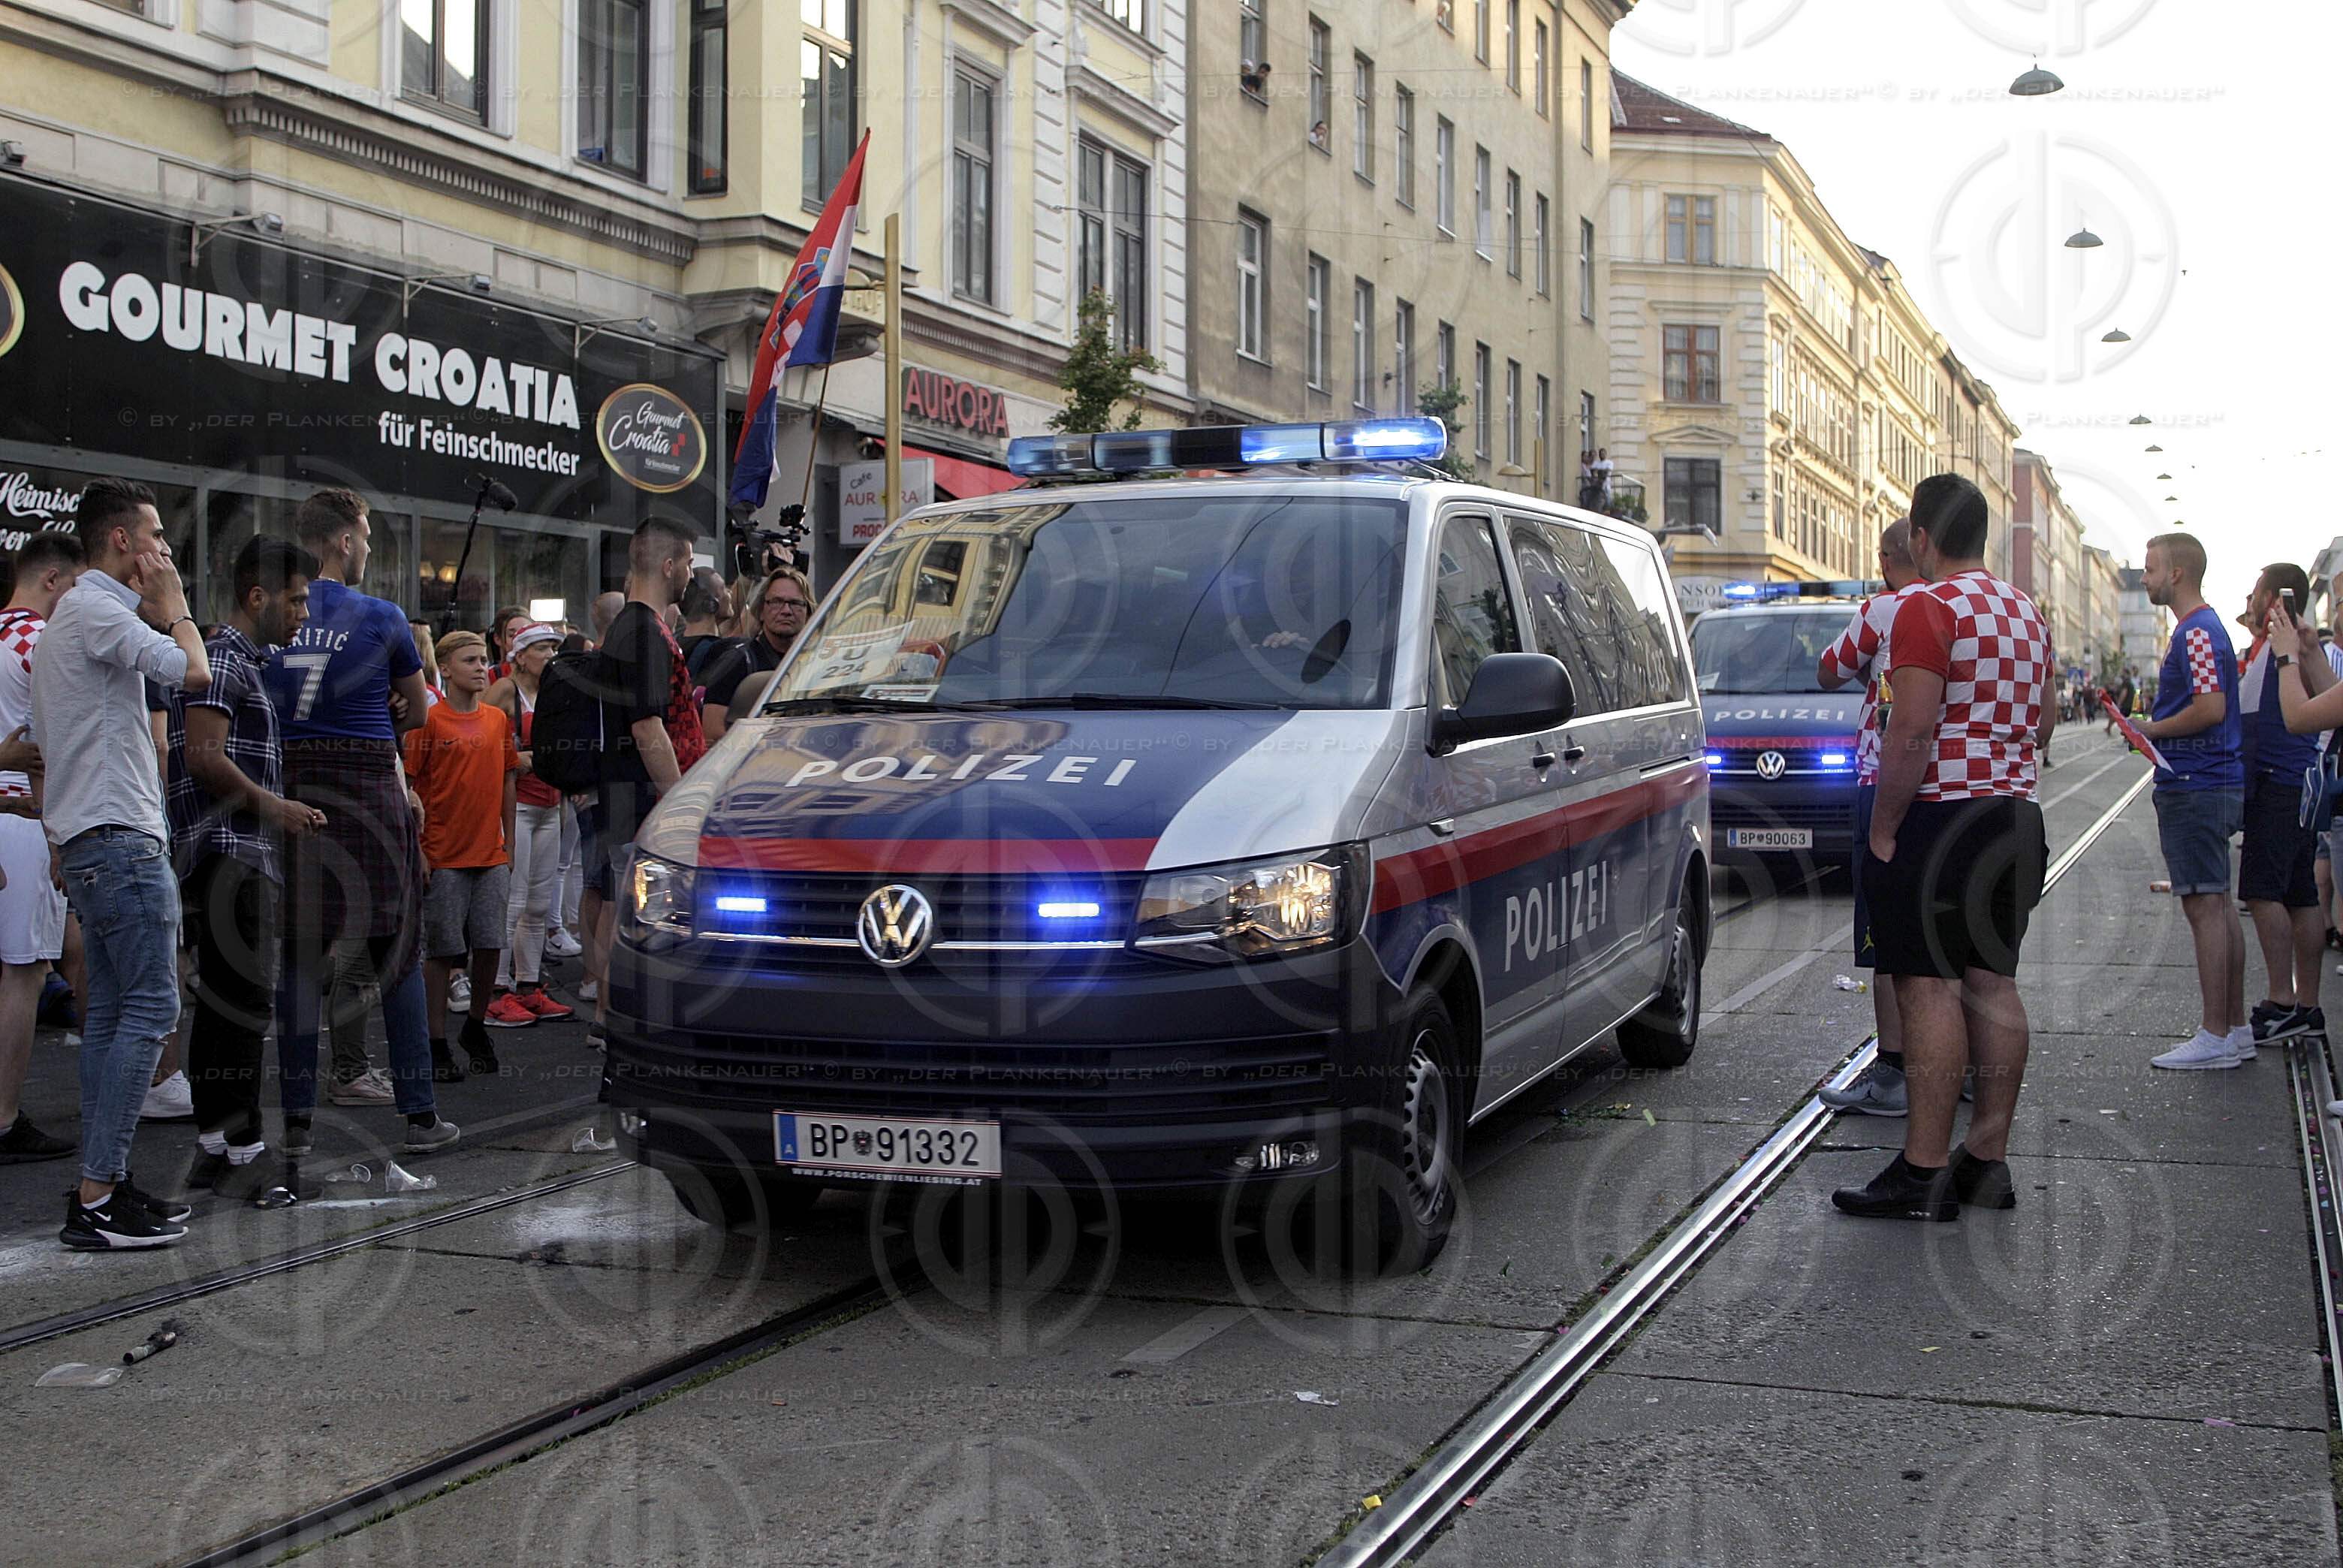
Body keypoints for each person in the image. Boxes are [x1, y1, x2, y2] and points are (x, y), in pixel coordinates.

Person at [1834, 473, 2049, 1222]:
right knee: (1993, 983)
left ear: (1921, 538)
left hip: (1941, 819)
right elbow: (2045, 723)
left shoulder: (1928, 608)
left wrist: (1885, 825)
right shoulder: (2027, 612)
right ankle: (1986, 1163)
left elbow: (1913, 728)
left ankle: (1922, 1169)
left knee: (1928, 985)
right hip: (2015, 818)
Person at [33, 478, 213, 1248]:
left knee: (111, 1016)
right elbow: (195, 672)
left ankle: (101, 1187)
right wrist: (175, 606)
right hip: (120, 837)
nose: (167, 553)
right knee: (150, 1010)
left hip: (93, 838)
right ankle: (100, 1196)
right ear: (122, 544)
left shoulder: (72, 615)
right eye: (159, 539)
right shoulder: (101, 608)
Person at [264, 487, 459, 1156]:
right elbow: (420, 710)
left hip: (295, 789)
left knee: (300, 957)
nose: (369, 550)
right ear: (344, 540)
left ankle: (295, 1124)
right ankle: (420, 1115)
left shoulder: (274, 616)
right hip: (370, 785)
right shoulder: (380, 615)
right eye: (367, 537)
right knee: (397, 951)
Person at [170, 536, 326, 1202]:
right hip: (232, 853)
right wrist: (277, 808)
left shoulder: (237, 660)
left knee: (222, 1006)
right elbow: (204, 756)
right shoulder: (226, 658)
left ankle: (214, 1146)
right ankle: (246, 1155)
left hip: (225, 853)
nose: (302, 614)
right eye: (294, 599)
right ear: (256, 596)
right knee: (243, 1005)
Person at [2124, 533, 2252, 1069]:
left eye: (2151, 568)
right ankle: (2235, 1028)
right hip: (2209, 780)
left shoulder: (2196, 631)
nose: (2147, 577)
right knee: (2217, 905)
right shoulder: (2202, 629)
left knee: (2206, 908)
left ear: (2176, 574)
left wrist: (2152, 729)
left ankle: (2216, 1033)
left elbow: (2211, 707)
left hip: (2197, 783)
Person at [1814, 518, 1924, 1118]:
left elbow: (1829, 669)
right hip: (1944, 789)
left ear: (1886, 558)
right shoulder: (1952, 607)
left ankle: (1891, 1072)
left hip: (1880, 780)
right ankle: (1947, 1066)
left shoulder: (1882, 609)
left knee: (1882, 934)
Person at [591, 518, 706, 1047]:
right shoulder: (644, 631)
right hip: (643, 801)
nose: (690, 573)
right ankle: (622, 1024)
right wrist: (679, 801)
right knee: (638, 920)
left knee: (617, 911)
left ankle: (610, 1018)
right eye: (686, 561)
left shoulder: (633, 628)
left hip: (630, 797)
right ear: (668, 565)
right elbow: (647, 725)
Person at [405, 630, 523, 1073]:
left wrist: (508, 841)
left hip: (489, 852)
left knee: (491, 943)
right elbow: (411, 785)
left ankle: (475, 1022)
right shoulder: (429, 722)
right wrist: (419, 850)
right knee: (442, 951)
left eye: (481, 660)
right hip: (444, 854)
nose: (479, 667)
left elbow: (509, 778)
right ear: (447, 666)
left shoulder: (495, 719)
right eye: (470, 661)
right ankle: (435, 1039)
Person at [0, 532, 83, 1163]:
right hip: (24, 817)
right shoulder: (40, 642)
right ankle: (3, 1120)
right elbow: (53, 744)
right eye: (75, 586)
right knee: (22, 974)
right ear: (53, 580)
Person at [2229, 564, 2329, 1046]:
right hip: (2298, 783)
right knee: (2301, 895)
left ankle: (2282, 1000)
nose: (2248, 603)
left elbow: (2294, 717)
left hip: (2278, 785)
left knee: (2263, 892)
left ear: (2271, 600)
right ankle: (2306, 1004)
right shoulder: (2279, 649)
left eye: (2255, 594)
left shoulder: (2281, 653)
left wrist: (2290, 653)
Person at [484, 623, 573, 1024]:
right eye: (542, 649)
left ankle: (528, 985)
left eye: (555, 648)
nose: (550, 656)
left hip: (550, 805)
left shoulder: (552, 692)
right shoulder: (506, 690)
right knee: (512, 902)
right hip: (517, 806)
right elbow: (477, 735)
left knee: (538, 903)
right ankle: (495, 990)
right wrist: (516, 759)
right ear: (519, 656)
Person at [701, 566, 811, 741]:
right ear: (761, 611)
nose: (786, 610)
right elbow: (712, 732)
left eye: (796, 603)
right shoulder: (737, 661)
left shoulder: (812, 665)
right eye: (776, 602)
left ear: (808, 613)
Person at [677, 568, 737, 688]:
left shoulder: (673, 642)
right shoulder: (719, 651)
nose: (729, 592)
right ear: (712, 604)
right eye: (723, 588)